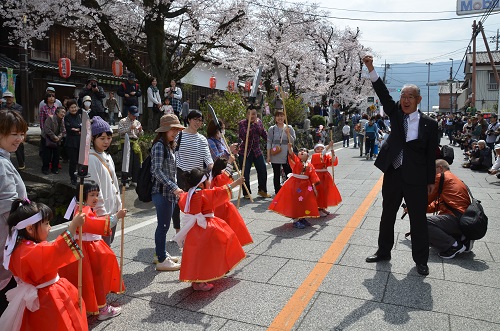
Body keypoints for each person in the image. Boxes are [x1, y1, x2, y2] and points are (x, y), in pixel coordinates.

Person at [363, 55, 438, 276]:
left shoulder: (430, 124)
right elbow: (383, 93)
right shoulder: (395, 113)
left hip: (416, 178)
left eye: (410, 97)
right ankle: (383, 251)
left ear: (418, 99)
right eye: (403, 96)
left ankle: (421, 260)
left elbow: (430, 155)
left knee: (418, 219)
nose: (405, 100)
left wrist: (430, 181)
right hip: (394, 173)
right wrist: (371, 69)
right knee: (388, 213)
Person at [0, 199, 87, 330]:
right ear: (29, 228)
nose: (50, 227)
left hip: (36, 296)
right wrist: (73, 226)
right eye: (46, 223)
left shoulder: (17, 247)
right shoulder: (30, 251)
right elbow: (55, 251)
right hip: (48, 297)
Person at [59, 182, 126, 319]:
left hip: (85, 247)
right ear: (83, 196)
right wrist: (116, 217)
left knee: (86, 280)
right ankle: (102, 308)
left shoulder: (81, 208)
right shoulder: (83, 211)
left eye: (97, 194)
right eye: (92, 195)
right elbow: (95, 224)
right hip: (88, 249)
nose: (96, 198)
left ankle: (89, 306)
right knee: (96, 278)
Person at [173, 167, 246, 291]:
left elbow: (182, 202)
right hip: (206, 227)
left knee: (196, 256)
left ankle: (197, 281)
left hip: (193, 229)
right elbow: (219, 192)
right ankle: (207, 277)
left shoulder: (189, 194)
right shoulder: (204, 194)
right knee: (226, 239)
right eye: (207, 180)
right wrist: (236, 183)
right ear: (201, 183)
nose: (209, 182)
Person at [0, 110, 27, 317]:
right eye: (14, 134)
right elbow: (9, 214)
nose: (19, 139)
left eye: (21, 133)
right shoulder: (2, 165)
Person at [150, 114, 184, 271]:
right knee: (163, 226)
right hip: (162, 192)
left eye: (177, 130)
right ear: (164, 130)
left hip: (168, 192)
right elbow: (156, 170)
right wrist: (173, 186)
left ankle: (160, 253)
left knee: (163, 226)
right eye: (173, 129)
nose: (175, 132)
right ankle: (162, 260)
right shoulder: (159, 145)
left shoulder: (169, 145)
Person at [172, 110, 213, 236]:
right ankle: (178, 230)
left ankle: (193, 230)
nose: (198, 122)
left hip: (197, 177)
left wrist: (212, 166)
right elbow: (172, 153)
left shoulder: (202, 139)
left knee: (196, 204)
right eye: (195, 119)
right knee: (179, 202)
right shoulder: (179, 136)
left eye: (200, 120)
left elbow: (207, 157)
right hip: (182, 174)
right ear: (189, 120)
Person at [425, 160, 473, 259]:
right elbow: (437, 204)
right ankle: (463, 239)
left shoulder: (441, 177)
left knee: (423, 223)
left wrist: (413, 207)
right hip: (464, 218)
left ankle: (454, 246)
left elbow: (426, 198)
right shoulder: (453, 178)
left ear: (440, 168)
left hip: (455, 217)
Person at [87, 116, 122, 246]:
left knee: (108, 244)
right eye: (102, 138)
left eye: (109, 138)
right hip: (102, 212)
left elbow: (115, 183)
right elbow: (94, 189)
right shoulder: (91, 159)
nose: (106, 142)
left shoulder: (107, 155)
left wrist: (119, 204)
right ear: (92, 138)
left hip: (112, 210)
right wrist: (101, 213)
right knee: (102, 247)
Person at [269, 144, 320, 229]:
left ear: (308, 155)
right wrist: (289, 148)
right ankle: (296, 220)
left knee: (305, 201)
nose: (302, 152)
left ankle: (302, 217)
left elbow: (313, 176)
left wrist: (314, 187)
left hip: (307, 186)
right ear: (298, 155)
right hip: (296, 185)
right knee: (296, 202)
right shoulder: (296, 161)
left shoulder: (310, 165)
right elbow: (292, 154)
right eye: (300, 151)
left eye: (304, 151)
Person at [211, 157, 253, 246]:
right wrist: (229, 162)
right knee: (229, 226)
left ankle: (233, 243)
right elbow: (224, 177)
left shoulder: (216, 178)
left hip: (224, 206)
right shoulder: (218, 178)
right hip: (221, 207)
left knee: (233, 225)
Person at [239, 105, 270, 199]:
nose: (252, 116)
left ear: (257, 114)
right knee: (245, 173)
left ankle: (262, 190)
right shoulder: (242, 123)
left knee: (262, 169)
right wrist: (254, 125)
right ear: (246, 115)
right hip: (245, 152)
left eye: (254, 114)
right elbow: (245, 135)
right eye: (249, 114)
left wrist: (271, 140)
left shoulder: (259, 122)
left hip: (257, 150)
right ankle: (246, 192)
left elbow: (263, 133)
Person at [266, 109, 295, 194]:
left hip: (286, 153)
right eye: (278, 116)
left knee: (288, 173)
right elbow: (269, 142)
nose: (280, 118)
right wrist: (268, 156)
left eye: (282, 116)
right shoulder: (272, 129)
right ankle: (277, 192)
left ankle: (290, 190)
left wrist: (288, 133)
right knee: (276, 173)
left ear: (284, 117)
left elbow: (293, 141)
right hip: (275, 154)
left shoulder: (289, 128)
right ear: (275, 118)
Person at [310, 142, 342, 216]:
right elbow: (322, 155)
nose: (320, 150)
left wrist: (333, 154)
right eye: (318, 149)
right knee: (319, 192)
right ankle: (318, 208)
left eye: (322, 148)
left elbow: (332, 162)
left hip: (325, 176)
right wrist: (328, 146)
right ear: (315, 150)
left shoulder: (325, 156)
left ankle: (322, 207)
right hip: (317, 176)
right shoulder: (315, 156)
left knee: (325, 192)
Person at [117, 106, 144, 186]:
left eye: (135, 115)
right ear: (129, 113)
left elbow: (141, 135)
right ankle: (125, 180)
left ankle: (134, 179)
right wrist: (129, 128)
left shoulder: (137, 122)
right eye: (133, 115)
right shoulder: (122, 121)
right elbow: (120, 131)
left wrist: (140, 131)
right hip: (126, 142)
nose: (134, 117)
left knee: (136, 161)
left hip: (135, 142)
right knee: (127, 161)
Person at [0, 91, 25, 169]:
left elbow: (16, 116)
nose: (8, 99)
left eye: (10, 97)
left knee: (19, 147)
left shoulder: (18, 107)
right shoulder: (1, 106)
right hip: (5, 129)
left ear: (13, 98)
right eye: (6, 97)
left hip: (17, 128)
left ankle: (21, 163)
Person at [41, 106, 66, 175]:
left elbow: (63, 131)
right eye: (62, 112)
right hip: (47, 138)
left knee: (56, 155)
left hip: (57, 139)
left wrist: (58, 137)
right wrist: (54, 137)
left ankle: (55, 169)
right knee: (47, 155)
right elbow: (47, 129)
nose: (63, 114)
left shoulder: (62, 120)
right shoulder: (50, 118)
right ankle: (45, 169)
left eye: (64, 112)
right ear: (57, 113)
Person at [64, 99, 82, 186]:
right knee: (73, 161)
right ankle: (73, 178)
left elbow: (81, 127)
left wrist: (77, 129)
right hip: (71, 142)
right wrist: (78, 130)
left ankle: (80, 176)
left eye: (75, 107)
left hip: (79, 141)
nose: (74, 109)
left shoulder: (79, 116)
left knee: (80, 160)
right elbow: (69, 129)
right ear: (68, 108)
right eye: (72, 107)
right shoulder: (67, 117)